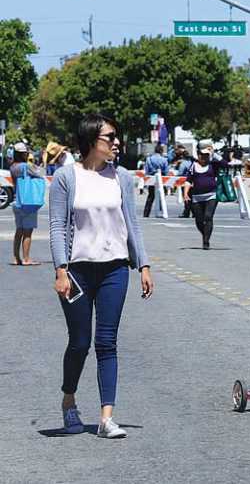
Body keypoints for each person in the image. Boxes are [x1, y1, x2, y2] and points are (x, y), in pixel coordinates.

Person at [49, 113, 154, 438]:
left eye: (115, 137)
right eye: (110, 137)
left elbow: (131, 224)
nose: (116, 142)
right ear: (91, 140)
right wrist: (60, 269)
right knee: (79, 343)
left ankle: (107, 418)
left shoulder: (121, 176)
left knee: (106, 342)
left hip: (114, 269)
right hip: (77, 271)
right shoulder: (67, 177)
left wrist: (143, 265)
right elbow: (56, 226)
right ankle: (69, 402)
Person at [182, 142, 227, 250]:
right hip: (197, 197)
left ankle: (206, 241)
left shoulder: (213, 165)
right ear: (198, 155)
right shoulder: (193, 166)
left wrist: (214, 153)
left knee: (208, 217)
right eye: (203, 155)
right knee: (199, 219)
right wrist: (185, 194)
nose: (205, 157)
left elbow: (225, 164)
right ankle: (205, 233)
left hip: (211, 195)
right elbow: (188, 181)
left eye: (207, 155)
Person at [10, 142, 44, 266]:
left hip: (16, 201)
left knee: (19, 230)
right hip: (28, 202)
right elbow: (41, 173)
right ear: (23, 154)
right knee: (28, 232)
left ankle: (16, 258)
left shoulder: (12, 166)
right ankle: (26, 258)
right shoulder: (26, 166)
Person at [142, 144, 169, 218]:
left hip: (152, 180)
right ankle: (161, 210)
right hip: (161, 179)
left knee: (150, 197)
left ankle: (146, 213)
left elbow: (146, 171)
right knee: (162, 196)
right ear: (161, 151)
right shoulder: (164, 160)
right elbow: (166, 172)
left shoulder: (149, 159)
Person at [173, 145, 194, 218]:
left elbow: (180, 173)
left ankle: (186, 212)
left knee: (186, 197)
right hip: (193, 182)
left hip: (185, 182)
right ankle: (194, 212)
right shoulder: (192, 162)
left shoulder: (183, 163)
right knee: (192, 197)